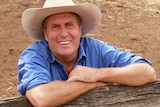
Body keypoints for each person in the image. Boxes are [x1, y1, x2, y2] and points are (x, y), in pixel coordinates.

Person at [17, 0, 156, 106]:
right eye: (55, 27)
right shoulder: (33, 55)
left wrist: (95, 74)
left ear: (79, 29)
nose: (64, 33)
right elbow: (42, 97)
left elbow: (147, 72)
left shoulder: (95, 48)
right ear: (46, 34)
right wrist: (94, 84)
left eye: (69, 25)